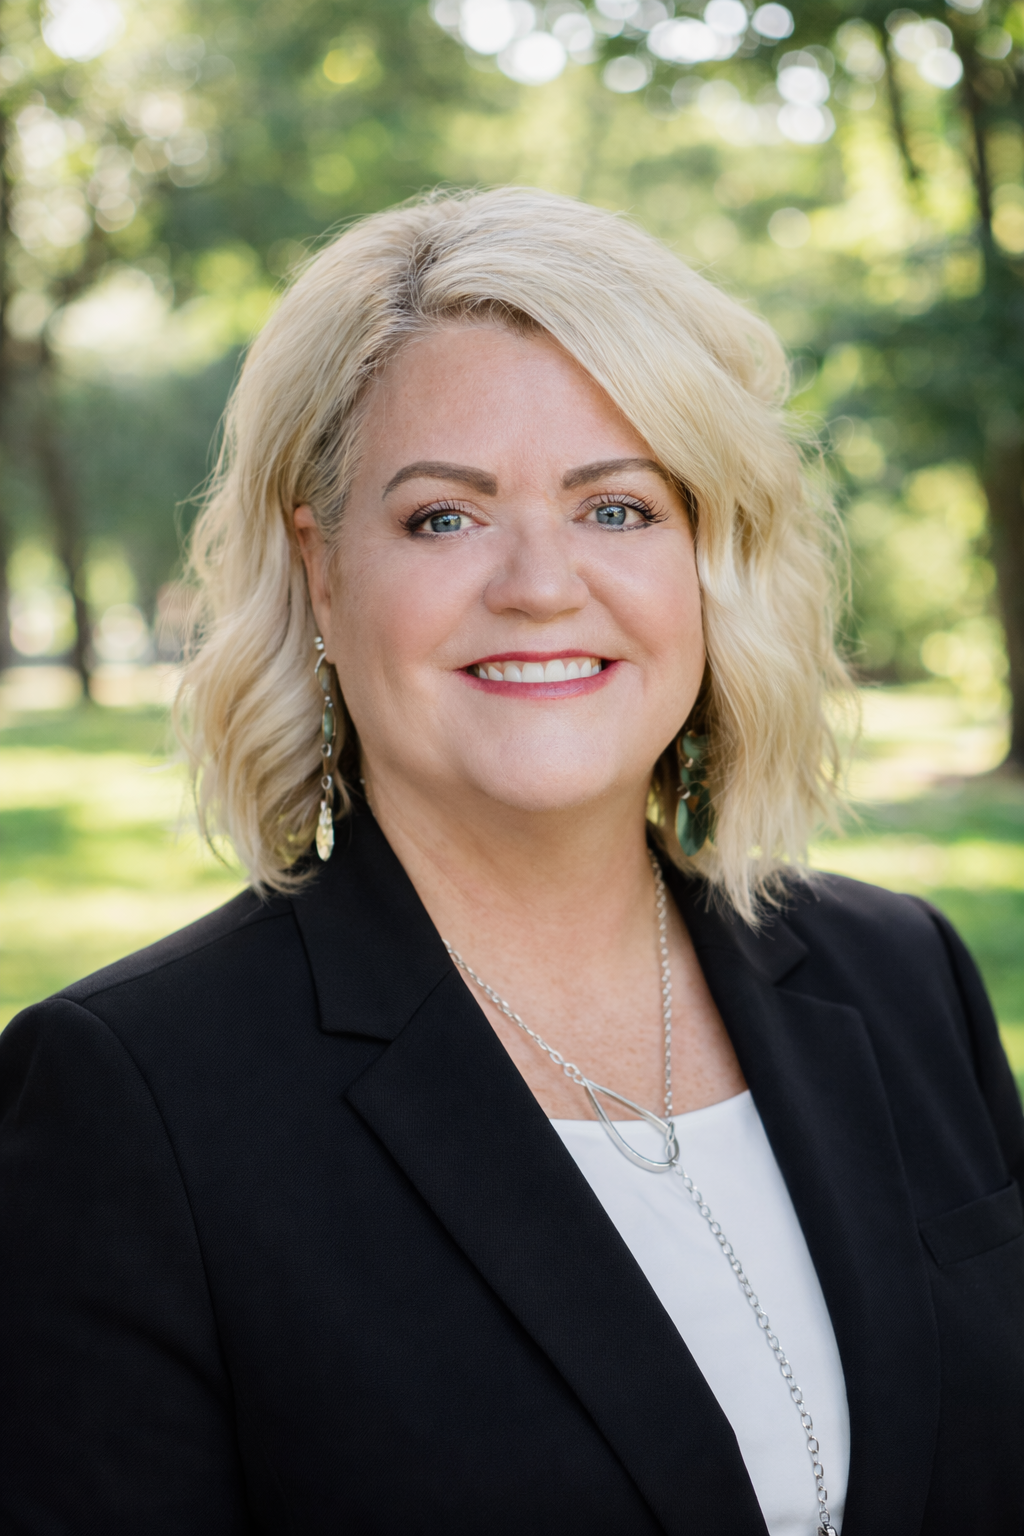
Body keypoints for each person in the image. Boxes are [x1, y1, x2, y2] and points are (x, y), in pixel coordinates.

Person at [1, 187, 1021, 1536]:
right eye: (443, 517)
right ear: (321, 573)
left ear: (709, 557)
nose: (541, 583)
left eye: (618, 510)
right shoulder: (130, 1102)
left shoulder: (903, 979)